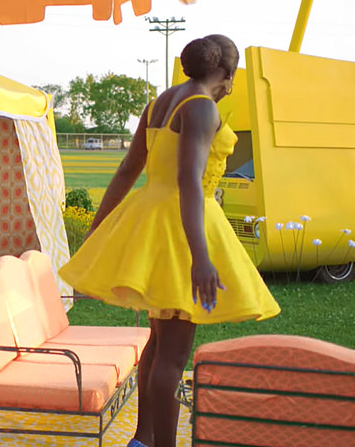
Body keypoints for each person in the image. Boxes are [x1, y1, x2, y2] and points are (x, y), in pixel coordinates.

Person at [57, 34, 280, 447]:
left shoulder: (160, 102)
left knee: (159, 344)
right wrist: (200, 257)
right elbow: (189, 181)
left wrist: (97, 228)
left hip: (154, 220)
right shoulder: (201, 107)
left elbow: (128, 169)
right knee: (173, 357)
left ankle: (142, 439)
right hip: (181, 228)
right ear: (227, 75)